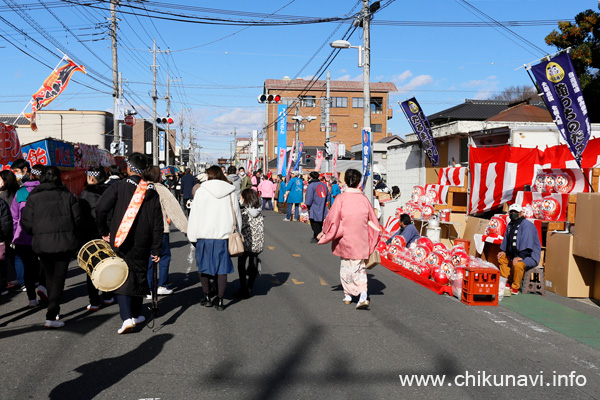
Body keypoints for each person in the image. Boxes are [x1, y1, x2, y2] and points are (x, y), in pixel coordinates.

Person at [96, 153, 163, 334]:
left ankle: (127, 318)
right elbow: (158, 223)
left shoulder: (119, 187)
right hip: (144, 239)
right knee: (139, 274)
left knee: (122, 275)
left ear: (129, 168)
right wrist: (157, 248)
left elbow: (101, 208)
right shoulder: (151, 191)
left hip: (121, 237)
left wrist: (104, 231)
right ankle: (135, 313)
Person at [21, 166, 81, 328]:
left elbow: (26, 223)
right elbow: (78, 220)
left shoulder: (33, 197)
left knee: (49, 277)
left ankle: (52, 312)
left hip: (42, 244)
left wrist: (38, 231)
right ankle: (52, 314)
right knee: (59, 280)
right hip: (64, 243)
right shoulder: (67, 195)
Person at [317, 169, 379, 309]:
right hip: (361, 238)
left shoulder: (341, 198)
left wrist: (324, 231)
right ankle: (362, 293)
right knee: (358, 267)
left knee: (345, 266)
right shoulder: (364, 199)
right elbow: (373, 219)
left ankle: (348, 295)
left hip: (345, 238)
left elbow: (332, 218)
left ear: (346, 181)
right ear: (358, 182)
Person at [187, 166, 241, 311]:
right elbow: (237, 216)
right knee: (221, 268)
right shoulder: (231, 192)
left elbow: (194, 215)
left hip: (204, 236)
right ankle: (221, 299)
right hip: (224, 236)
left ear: (208, 176)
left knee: (204, 268)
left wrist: (191, 235)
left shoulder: (201, 191)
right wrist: (238, 233)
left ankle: (206, 297)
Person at [143, 166, 188, 296]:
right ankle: (162, 285)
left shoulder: (139, 189)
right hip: (161, 229)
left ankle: (148, 288)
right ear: (158, 177)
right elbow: (175, 211)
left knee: (147, 259)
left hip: (142, 231)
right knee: (163, 257)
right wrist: (185, 229)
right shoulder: (162, 190)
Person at [11, 163, 47, 307]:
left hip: (23, 235)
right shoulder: (46, 191)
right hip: (43, 235)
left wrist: (15, 235)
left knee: (27, 267)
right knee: (45, 264)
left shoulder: (20, 192)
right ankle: (43, 287)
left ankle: (32, 299)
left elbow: (14, 217)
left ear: (30, 174)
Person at [79, 166, 114, 311]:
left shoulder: (85, 194)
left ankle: (94, 301)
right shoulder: (109, 192)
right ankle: (107, 295)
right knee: (107, 264)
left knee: (91, 267)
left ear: (91, 178)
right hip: (107, 233)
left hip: (89, 235)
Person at [498, 204, 541, 295]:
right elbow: (506, 239)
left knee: (518, 265)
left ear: (521, 213)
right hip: (514, 253)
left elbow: (527, 243)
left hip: (528, 255)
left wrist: (520, 256)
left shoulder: (527, 225)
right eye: (511, 212)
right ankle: (507, 281)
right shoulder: (510, 225)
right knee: (502, 258)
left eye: (516, 212)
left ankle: (515, 287)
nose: (513, 214)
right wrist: (503, 251)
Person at [235, 189, 264, 299]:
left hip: (245, 243)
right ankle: (250, 288)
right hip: (257, 243)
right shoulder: (259, 211)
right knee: (253, 264)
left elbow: (240, 227)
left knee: (241, 265)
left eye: (241, 197)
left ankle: (243, 288)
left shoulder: (244, 212)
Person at [305, 171, 330, 243]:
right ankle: (316, 236)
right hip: (322, 205)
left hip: (314, 205)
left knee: (314, 222)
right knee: (320, 222)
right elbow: (328, 195)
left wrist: (308, 205)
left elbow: (309, 197)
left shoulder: (311, 185)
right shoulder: (324, 185)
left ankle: (318, 236)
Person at [0, 195, 13, 296]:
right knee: (1, 264)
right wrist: (6, 238)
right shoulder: (1, 203)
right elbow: (6, 223)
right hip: (0, 239)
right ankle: (1, 286)